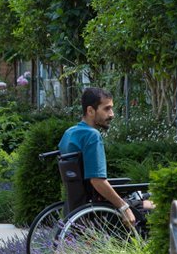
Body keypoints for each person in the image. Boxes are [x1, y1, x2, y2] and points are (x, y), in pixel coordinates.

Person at [58, 86, 138, 228]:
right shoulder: (92, 136)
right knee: (148, 204)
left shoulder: (70, 133)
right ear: (90, 111)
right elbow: (97, 181)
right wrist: (124, 207)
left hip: (75, 204)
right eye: (106, 109)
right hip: (95, 207)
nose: (112, 114)